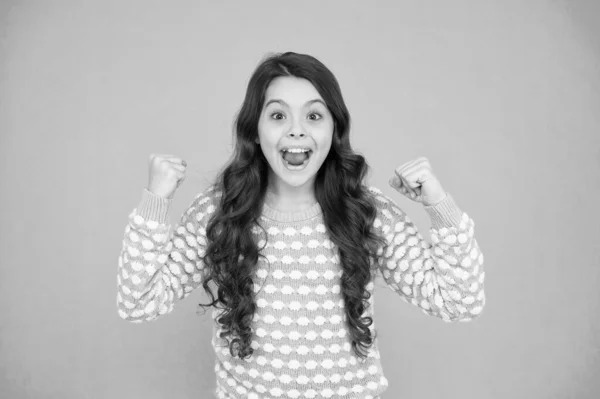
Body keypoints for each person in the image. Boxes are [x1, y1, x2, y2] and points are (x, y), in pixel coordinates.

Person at [116, 51, 486, 399]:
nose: (296, 131)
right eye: (278, 116)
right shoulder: (219, 213)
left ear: (333, 128)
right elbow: (139, 302)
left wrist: (438, 205)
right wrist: (155, 201)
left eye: (313, 116)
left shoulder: (365, 211)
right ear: (254, 131)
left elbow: (458, 300)